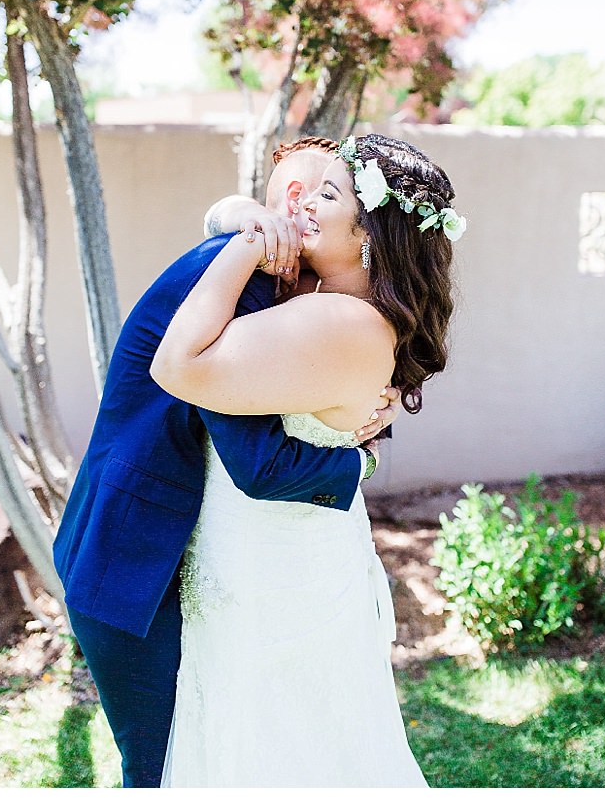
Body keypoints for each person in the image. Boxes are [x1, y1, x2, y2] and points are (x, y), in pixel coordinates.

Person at [52, 136, 399, 788]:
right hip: (132, 563)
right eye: (310, 191)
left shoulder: (301, 292)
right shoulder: (248, 281)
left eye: (330, 193)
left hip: (184, 558)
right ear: (287, 204)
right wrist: (361, 467)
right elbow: (258, 462)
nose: (308, 204)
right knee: (159, 768)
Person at [151, 132, 466, 787]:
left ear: (371, 235)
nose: (301, 200)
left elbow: (177, 364)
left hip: (279, 584)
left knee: (285, 755)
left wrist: (243, 246)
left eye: (328, 193)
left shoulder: (345, 324)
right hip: (258, 562)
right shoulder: (318, 299)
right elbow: (230, 215)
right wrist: (241, 217)